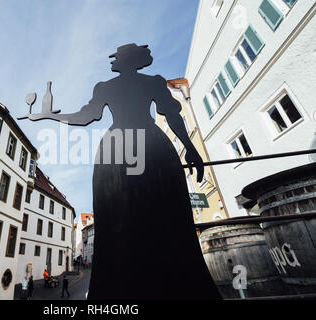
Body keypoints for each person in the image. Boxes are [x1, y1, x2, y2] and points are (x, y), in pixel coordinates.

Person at [23, 43, 221, 300]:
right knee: (167, 215)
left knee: (118, 220)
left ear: (126, 61)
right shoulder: (152, 82)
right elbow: (172, 116)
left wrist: (51, 117)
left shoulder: (107, 87)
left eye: (116, 58)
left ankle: (121, 291)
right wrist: (190, 149)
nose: (112, 61)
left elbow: (85, 117)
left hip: (117, 149)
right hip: (153, 145)